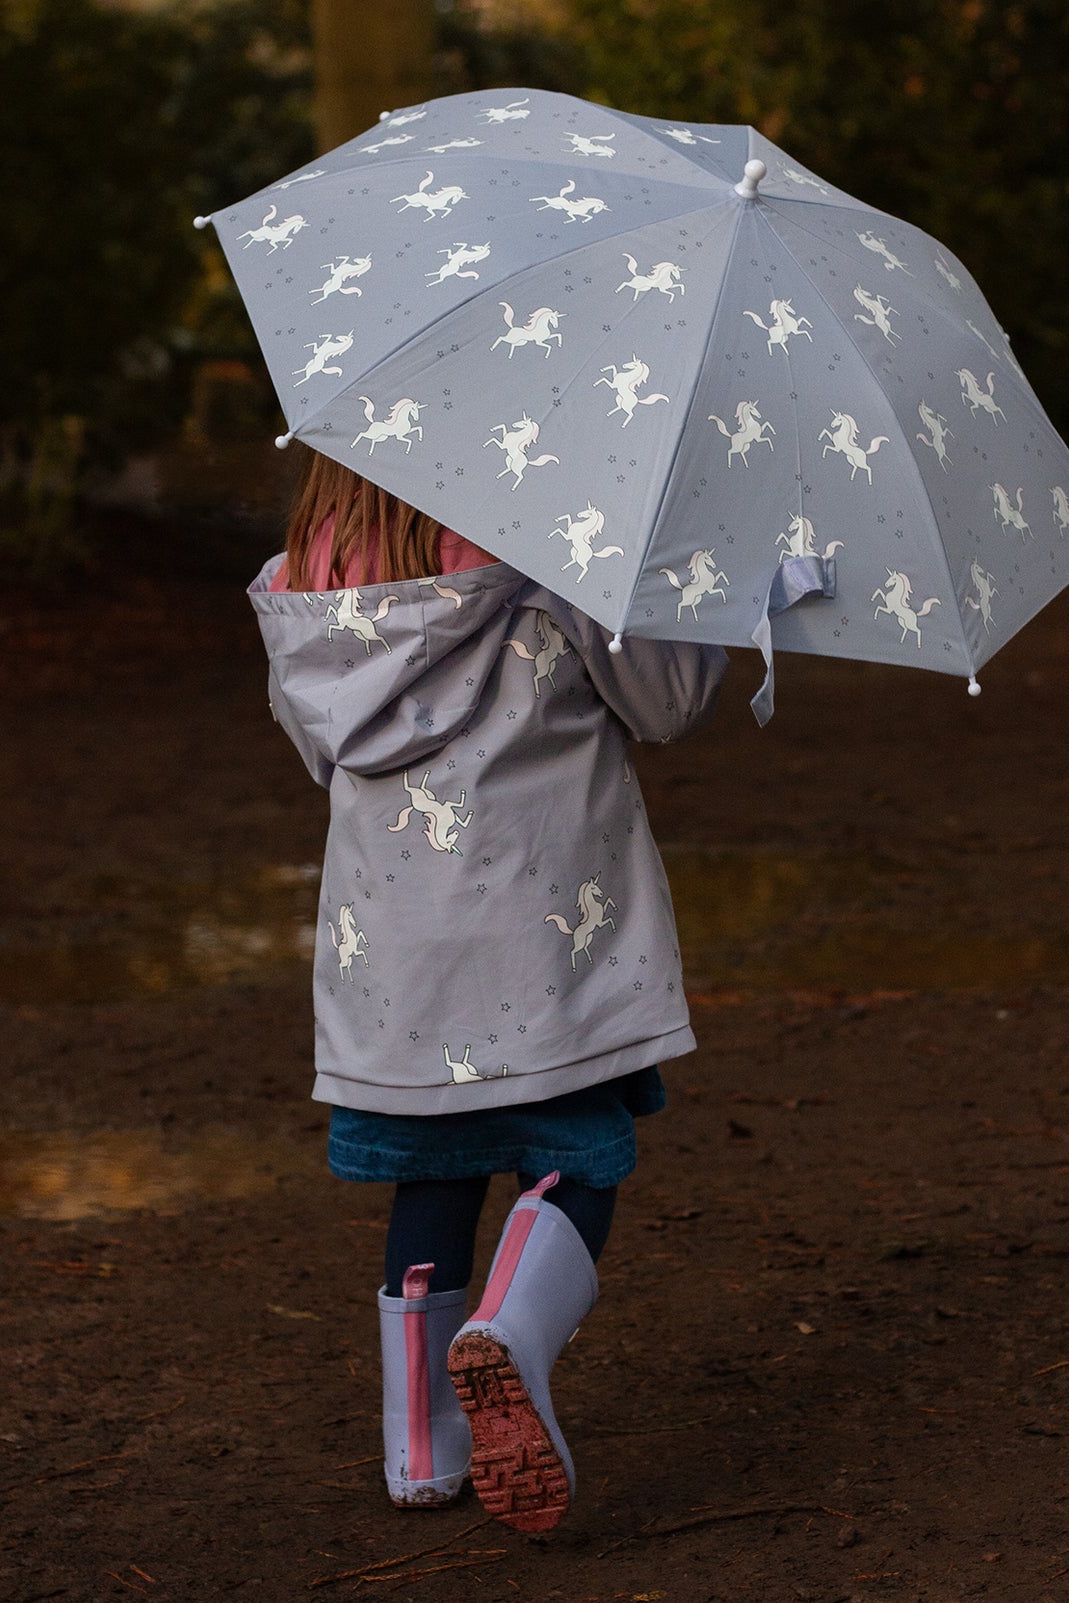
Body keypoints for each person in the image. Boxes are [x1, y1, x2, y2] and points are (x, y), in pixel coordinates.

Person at [249, 452, 727, 1532]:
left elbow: (315, 743)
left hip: (396, 957)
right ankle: (510, 1333)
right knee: (573, 1157)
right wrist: (688, 586)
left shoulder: (311, 573)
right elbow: (664, 700)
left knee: (433, 1169)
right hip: (542, 945)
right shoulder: (561, 544)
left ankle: (419, 1453)